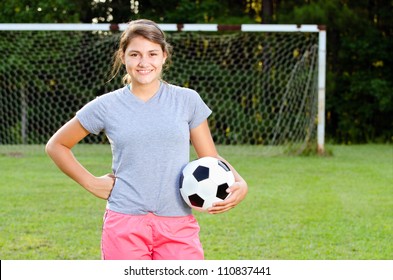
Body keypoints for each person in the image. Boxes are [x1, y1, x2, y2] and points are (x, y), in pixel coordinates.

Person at [45, 19, 248, 260]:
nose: (144, 62)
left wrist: (240, 183)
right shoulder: (106, 106)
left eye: (152, 53)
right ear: (123, 57)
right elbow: (56, 145)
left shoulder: (187, 100)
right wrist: (91, 183)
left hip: (177, 224)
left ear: (164, 56)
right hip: (124, 223)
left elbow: (210, 158)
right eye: (135, 54)